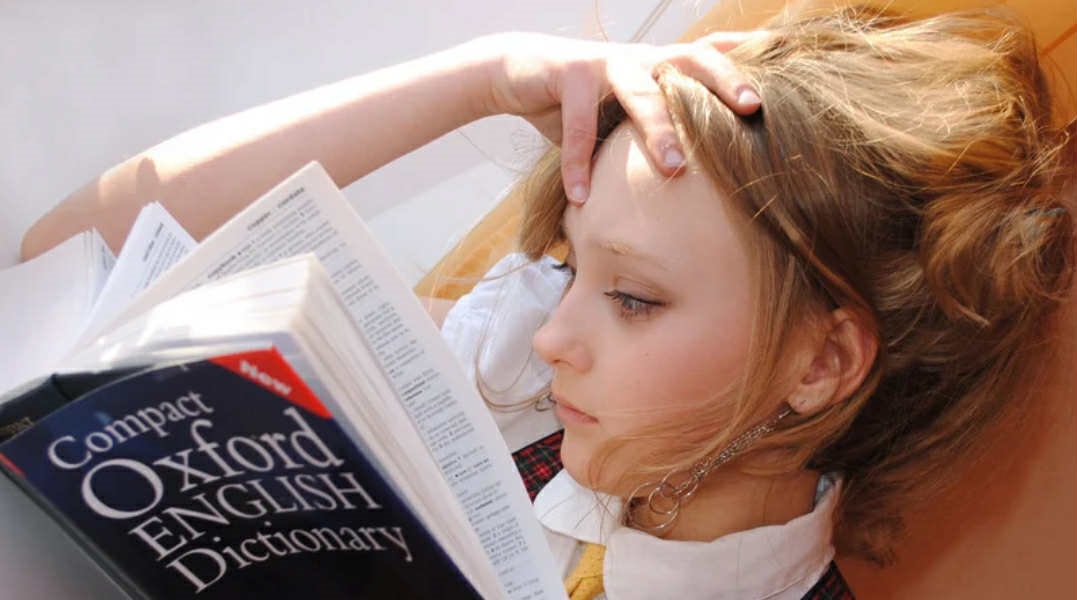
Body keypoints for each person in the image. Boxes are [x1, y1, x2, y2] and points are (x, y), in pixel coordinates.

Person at [20, 5, 1075, 599]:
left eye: (635, 300)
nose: (560, 333)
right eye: (574, 269)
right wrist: (479, 79)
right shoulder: (523, 390)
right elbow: (65, 260)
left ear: (820, 363)